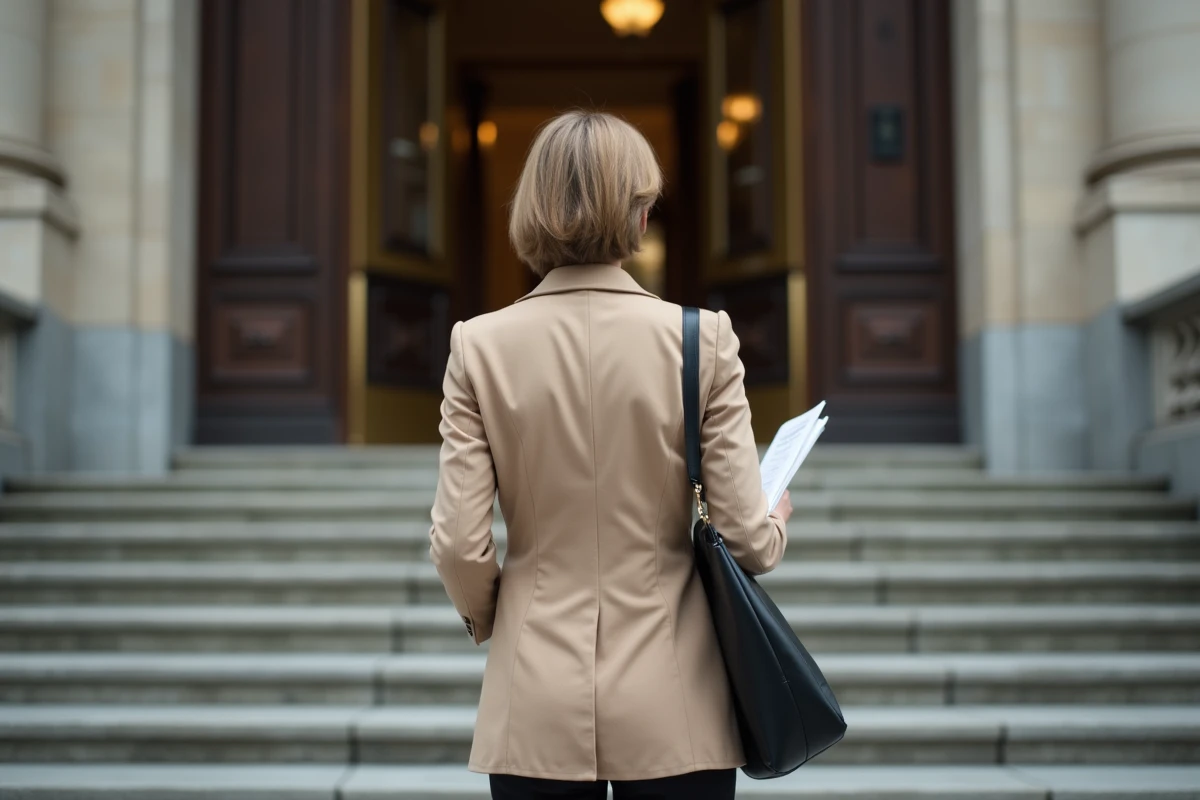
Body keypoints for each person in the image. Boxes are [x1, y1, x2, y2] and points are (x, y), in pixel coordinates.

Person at [429, 110, 792, 800]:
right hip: (678, 695)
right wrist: (774, 520)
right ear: (643, 209)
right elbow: (747, 539)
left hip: (533, 695)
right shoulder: (703, 340)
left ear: (531, 208)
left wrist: (495, 620)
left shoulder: (477, 346)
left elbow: (457, 547)